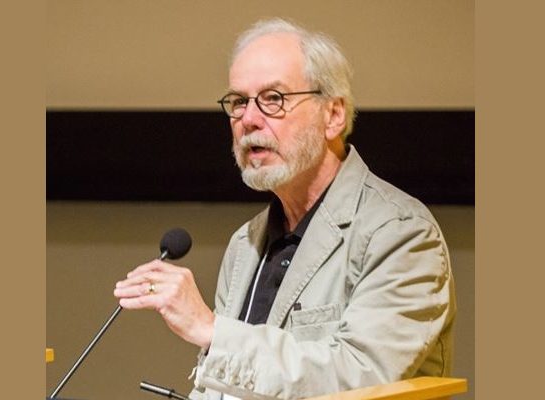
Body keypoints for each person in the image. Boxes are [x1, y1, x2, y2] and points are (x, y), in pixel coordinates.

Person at [114, 18, 456, 400]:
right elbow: (225, 386)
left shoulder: (401, 232)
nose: (248, 119)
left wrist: (212, 330)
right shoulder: (245, 243)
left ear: (333, 116)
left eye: (273, 99)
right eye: (239, 101)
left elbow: (362, 377)